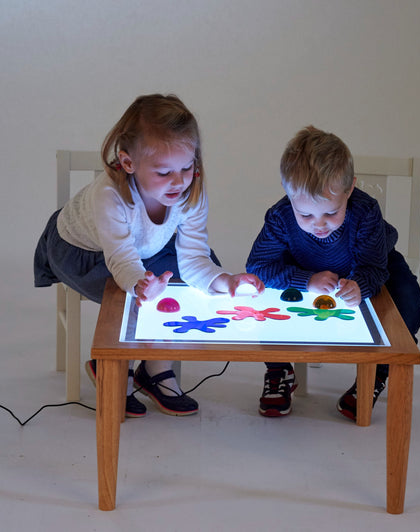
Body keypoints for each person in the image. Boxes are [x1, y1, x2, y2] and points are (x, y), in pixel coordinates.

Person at [35, 94, 263, 418]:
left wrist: (225, 281)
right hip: (83, 251)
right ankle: (113, 364)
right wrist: (141, 285)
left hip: (145, 247)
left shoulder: (189, 192)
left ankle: (155, 368)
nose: (179, 181)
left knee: (187, 283)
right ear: (129, 163)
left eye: (187, 167)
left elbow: (195, 255)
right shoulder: (110, 196)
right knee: (126, 296)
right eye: (164, 172)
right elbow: (122, 261)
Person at [246, 126, 420, 420]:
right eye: (305, 215)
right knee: (261, 293)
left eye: (331, 212)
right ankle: (279, 369)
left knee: (407, 299)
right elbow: (258, 267)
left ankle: (377, 373)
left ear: (350, 188)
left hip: (370, 263)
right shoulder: (280, 217)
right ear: (288, 193)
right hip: (307, 268)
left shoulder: (365, 212)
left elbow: (374, 267)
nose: (319, 224)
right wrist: (307, 280)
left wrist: (361, 285)